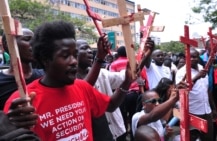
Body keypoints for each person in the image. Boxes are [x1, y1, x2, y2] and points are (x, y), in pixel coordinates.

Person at [3, 20, 135, 141]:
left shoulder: (82, 87)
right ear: (45, 59)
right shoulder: (23, 102)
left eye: (75, 55)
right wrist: (12, 125)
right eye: (65, 55)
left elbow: (110, 105)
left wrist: (127, 81)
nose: (73, 62)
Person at [76, 39, 127, 141]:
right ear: (72, 54)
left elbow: (123, 77)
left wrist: (140, 61)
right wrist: (99, 58)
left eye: (90, 48)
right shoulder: (69, 81)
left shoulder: (102, 73)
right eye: (84, 48)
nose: (90, 51)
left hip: (112, 132)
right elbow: (84, 88)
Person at [175, 47, 214, 141]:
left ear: (198, 58)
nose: (192, 59)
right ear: (185, 58)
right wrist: (196, 77)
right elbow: (182, 91)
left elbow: (207, 90)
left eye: (195, 57)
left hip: (206, 110)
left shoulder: (202, 69)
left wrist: (213, 108)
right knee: (193, 138)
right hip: (192, 112)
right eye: (189, 57)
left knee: (208, 137)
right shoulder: (181, 73)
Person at [0, 28, 44, 110]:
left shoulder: (45, 76)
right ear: (8, 45)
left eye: (35, 40)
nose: (34, 44)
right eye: (27, 39)